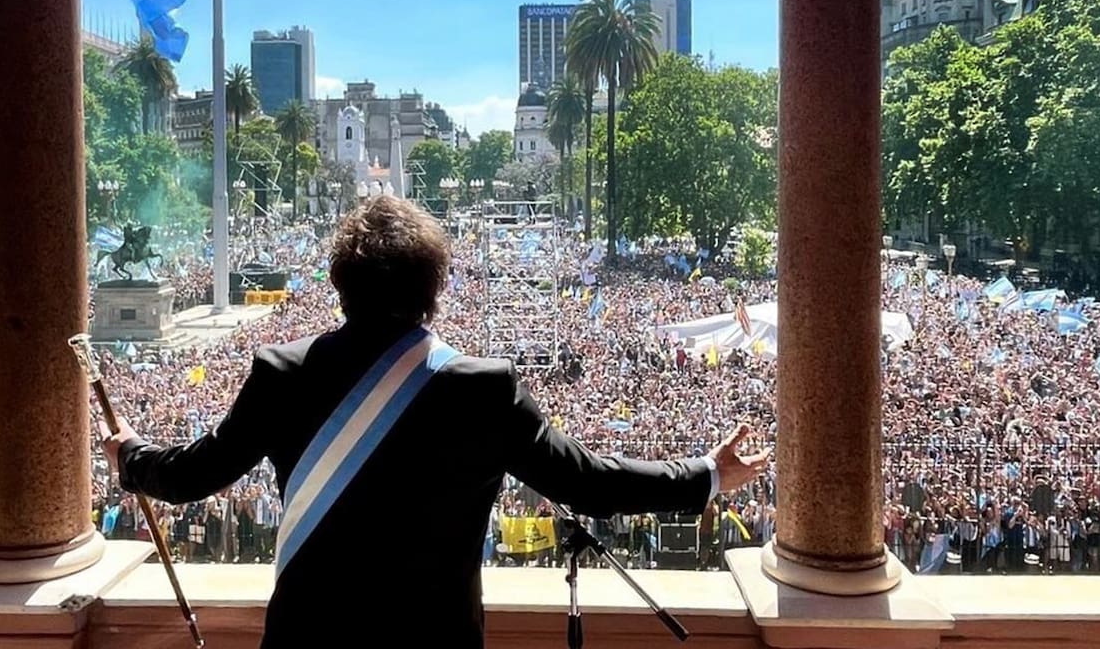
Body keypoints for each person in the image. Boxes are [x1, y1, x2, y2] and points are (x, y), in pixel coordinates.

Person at [100, 196, 770, 649]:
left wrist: (131, 456)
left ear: (338, 282)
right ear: (435, 287)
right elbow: (588, 483)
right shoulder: (482, 389)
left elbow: (193, 475)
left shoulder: (283, 373)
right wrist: (708, 475)